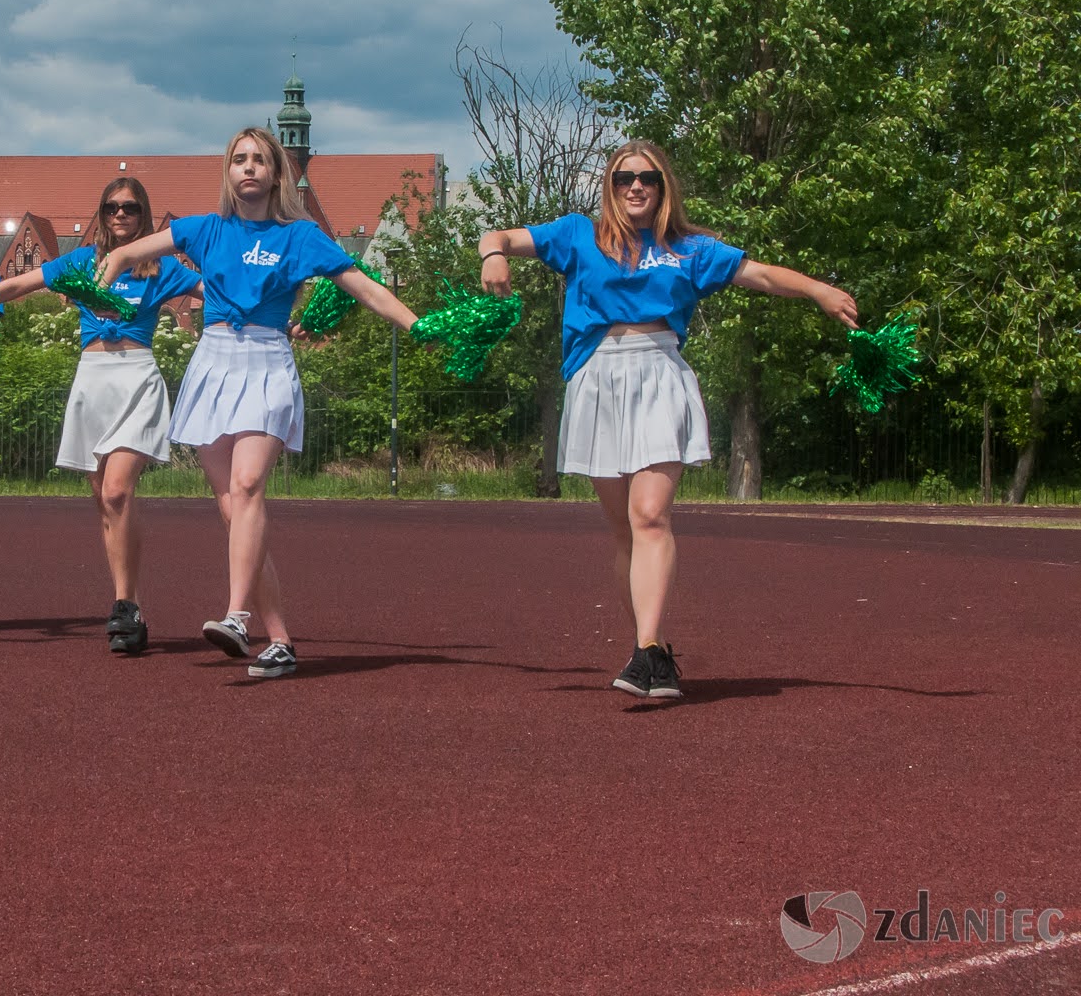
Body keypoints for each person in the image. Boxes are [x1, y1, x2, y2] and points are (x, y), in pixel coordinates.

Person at [478, 140, 858, 700]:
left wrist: (821, 291)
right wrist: (494, 255)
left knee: (649, 514)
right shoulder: (578, 234)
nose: (635, 186)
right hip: (597, 379)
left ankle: (648, 649)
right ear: (609, 187)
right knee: (625, 531)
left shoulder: (689, 248)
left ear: (662, 186)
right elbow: (502, 236)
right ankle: (651, 649)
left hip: (659, 375)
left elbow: (764, 275)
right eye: (623, 177)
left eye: (648, 177)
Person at [95, 127, 423, 679]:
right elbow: (125, 252)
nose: (248, 168)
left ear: (276, 174)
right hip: (213, 363)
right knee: (235, 512)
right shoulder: (205, 229)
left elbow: (364, 287)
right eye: (238, 160)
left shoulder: (301, 236)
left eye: (258, 161)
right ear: (228, 172)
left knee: (248, 487)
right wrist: (99, 294)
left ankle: (236, 617)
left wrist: (420, 325)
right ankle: (281, 641)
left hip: (268, 363)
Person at [0, 176, 201, 655]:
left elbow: (220, 292)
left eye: (131, 208)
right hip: (91, 378)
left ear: (143, 215)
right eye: (112, 207)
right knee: (104, 497)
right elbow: (15, 283)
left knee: (119, 488)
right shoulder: (81, 263)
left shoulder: (159, 268)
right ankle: (131, 605)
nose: (121, 215)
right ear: (101, 214)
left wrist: (281, 315)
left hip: (137, 377)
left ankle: (124, 603)